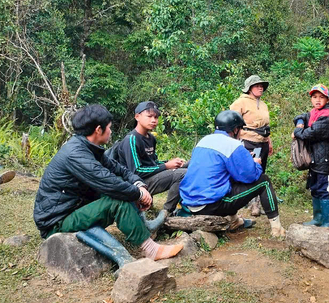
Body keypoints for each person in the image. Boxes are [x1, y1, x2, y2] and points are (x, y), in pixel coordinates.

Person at [33, 104, 183, 264]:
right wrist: (138, 194)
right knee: (118, 199)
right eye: (109, 128)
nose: (111, 131)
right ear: (98, 130)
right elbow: (109, 183)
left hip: (74, 207)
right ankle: (151, 249)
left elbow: (118, 169)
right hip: (57, 220)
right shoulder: (76, 154)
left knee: (126, 190)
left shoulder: (88, 147)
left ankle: (144, 228)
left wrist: (138, 183)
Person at [179, 110, 285, 238]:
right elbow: (250, 176)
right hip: (210, 205)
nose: (240, 133)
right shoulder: (232, 144)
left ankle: (235, 221)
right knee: (264, 181)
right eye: (240, 129)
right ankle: (277, 229)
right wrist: (255, 163)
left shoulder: (204, 141)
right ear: (235, 129)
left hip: (190, 202)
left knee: (226, 179)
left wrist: (244, 160)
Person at [108, 101, 188, 227]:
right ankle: (166, 212)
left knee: (186, 166)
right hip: (137, 184)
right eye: (149, 116)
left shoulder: (151, 139)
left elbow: (153, 163)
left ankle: (184, 206)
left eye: (156, 117)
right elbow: (136, 171)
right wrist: (166, 166)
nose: (153, 120)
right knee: (182, 175)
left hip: (149, 179)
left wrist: (170, 163)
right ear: (137, 117)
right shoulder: (131, 139)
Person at [292, 84, 329, 227]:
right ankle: (318, 218)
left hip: (324, 157)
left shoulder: (328, 114)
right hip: (314, 157)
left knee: (324, 187)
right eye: (314, 97)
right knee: (314, 186)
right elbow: (300, 116)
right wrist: (300, 123)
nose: (318, 100)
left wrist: (297, 132)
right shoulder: (315, 112)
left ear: (327, 99)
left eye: (321, 97)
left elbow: (311, 133)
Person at [230, 75, 273, 216]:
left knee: (261, 171)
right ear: (249, 88)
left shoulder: (264, 104)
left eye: (261, 86)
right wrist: (234, 142)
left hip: (262, 140)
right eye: (257, 85)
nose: (260, 88)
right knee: (249, 171)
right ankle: (250, 203)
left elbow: (266, 125)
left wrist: (269, 140)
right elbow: (232, 122)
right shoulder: (240, 102)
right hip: (247, 140)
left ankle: (258, 202)